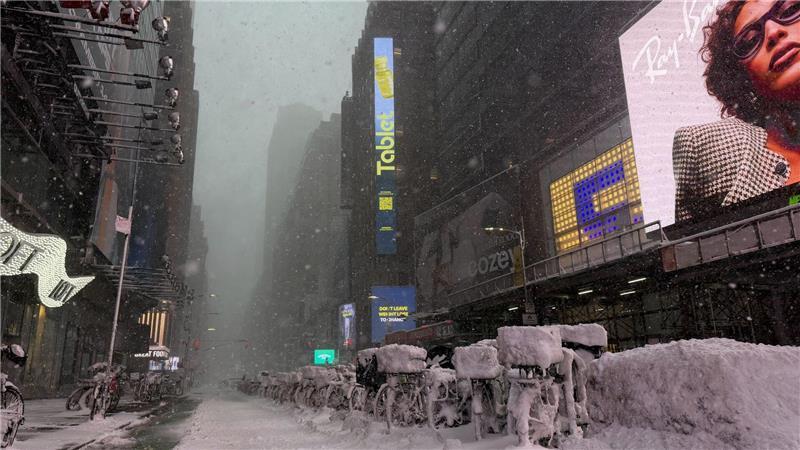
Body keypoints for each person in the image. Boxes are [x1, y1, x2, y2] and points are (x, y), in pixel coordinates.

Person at [673, 0, 800, 222]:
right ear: (741, 76)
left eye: (790, 10)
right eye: (750, 41)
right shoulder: (710, 152)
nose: (773, 32)